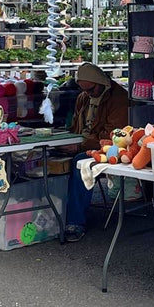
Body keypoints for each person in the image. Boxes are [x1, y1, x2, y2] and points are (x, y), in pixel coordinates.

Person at [64, 62, 129, 241]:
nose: (88, 93)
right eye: (84, 90)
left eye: (91, 90)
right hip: (84, 142)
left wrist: (80, 145)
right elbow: (76, 126)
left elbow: (113, 134)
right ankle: (55, 215)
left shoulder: (119, 98)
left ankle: (75, 222)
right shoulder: (83, 97)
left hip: (109, 148)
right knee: (51, 160)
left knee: (79, 164)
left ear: (100, 82)